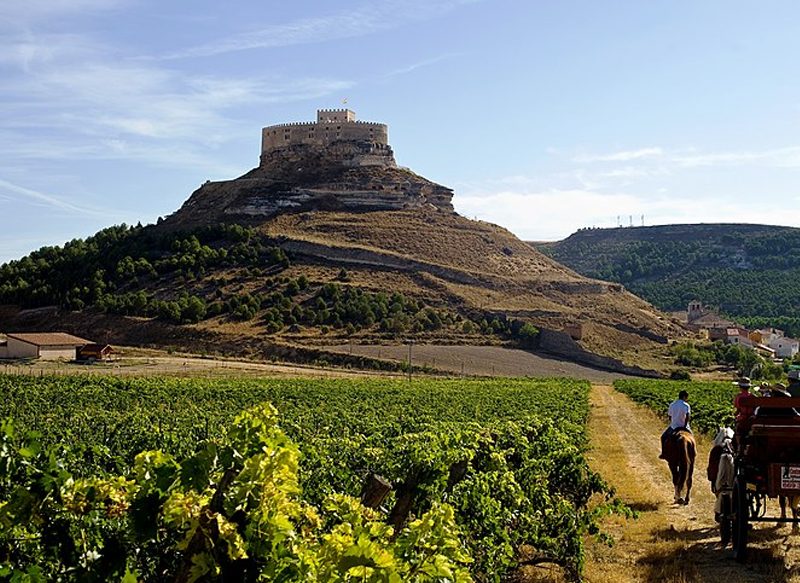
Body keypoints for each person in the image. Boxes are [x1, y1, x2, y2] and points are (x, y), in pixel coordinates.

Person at [659, 390, 691, 459]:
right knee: (692, 439)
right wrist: (685, 426)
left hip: (674, 427)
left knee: (663, 437)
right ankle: (693, 453)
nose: (687, 399)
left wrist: (673, 422)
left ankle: (663, 453)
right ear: (684, 397)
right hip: (685, 427)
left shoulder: (672, 404)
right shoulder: (686, 405)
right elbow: (687, 417)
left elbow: (670, 417)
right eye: (686, 398)